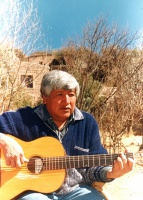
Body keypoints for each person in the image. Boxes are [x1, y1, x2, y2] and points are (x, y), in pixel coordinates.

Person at [0, 70, 134, 200]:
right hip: (33, 192)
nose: (67, 101)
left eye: (71, 94)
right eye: (59, 95)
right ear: (45, 97)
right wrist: (5, 141)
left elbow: (94, 168)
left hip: (75, 190)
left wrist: (111, 173)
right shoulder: (23, 118)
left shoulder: (87, 122)